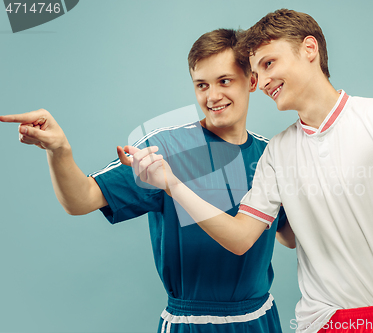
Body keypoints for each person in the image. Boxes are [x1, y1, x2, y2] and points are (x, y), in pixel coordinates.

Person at [122, 9, 373, 333]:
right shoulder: (277, 152)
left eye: (270, 63)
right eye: (257, 72)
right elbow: (241, 238)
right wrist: (171, 184)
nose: (265, 80)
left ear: (309, 49)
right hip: (322, 322)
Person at [0, 28, 295, 333]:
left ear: (252, 81)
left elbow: (288, 235)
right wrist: (60, 151)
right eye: (202, 85)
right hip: (190, 323)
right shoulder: (165, 149)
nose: (212, 96)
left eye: (224, 81)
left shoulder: (270, 155)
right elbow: (81, 199)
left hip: (259, 321)